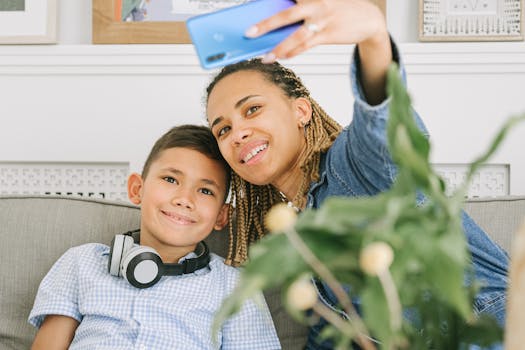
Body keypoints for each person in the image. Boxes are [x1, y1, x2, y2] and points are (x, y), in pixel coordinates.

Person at [204, 0, 508, 348]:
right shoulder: (297, 239)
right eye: (223, 130)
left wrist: (374, 36)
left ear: (300, 110)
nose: (238, 132)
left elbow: (386, 122)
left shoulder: (355, 164)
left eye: (253, 109)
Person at [28, 125, 281, 349]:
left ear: (221, 216)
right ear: (137, 189)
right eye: (171, 179)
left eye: (205, 190)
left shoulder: (234, 287)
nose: (184, 199)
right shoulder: (83, 262)